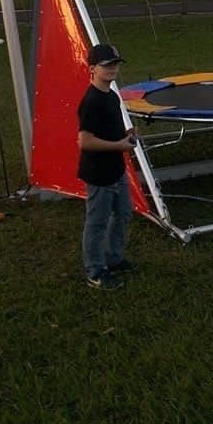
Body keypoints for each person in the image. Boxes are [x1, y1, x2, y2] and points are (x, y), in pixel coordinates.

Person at [77, 43, 138, 290]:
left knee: (123, 213)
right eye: (106, 65)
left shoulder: (111, 96)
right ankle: (95, 271)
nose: (112, 68)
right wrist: (119, 145)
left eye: (115, 64)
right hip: (99, 174)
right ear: (92, 69)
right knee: (97, 223)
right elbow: (85, 141)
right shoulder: (91, 101)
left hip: (116, 169)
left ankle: (113, 258)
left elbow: (110, 131)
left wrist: (126, 134)